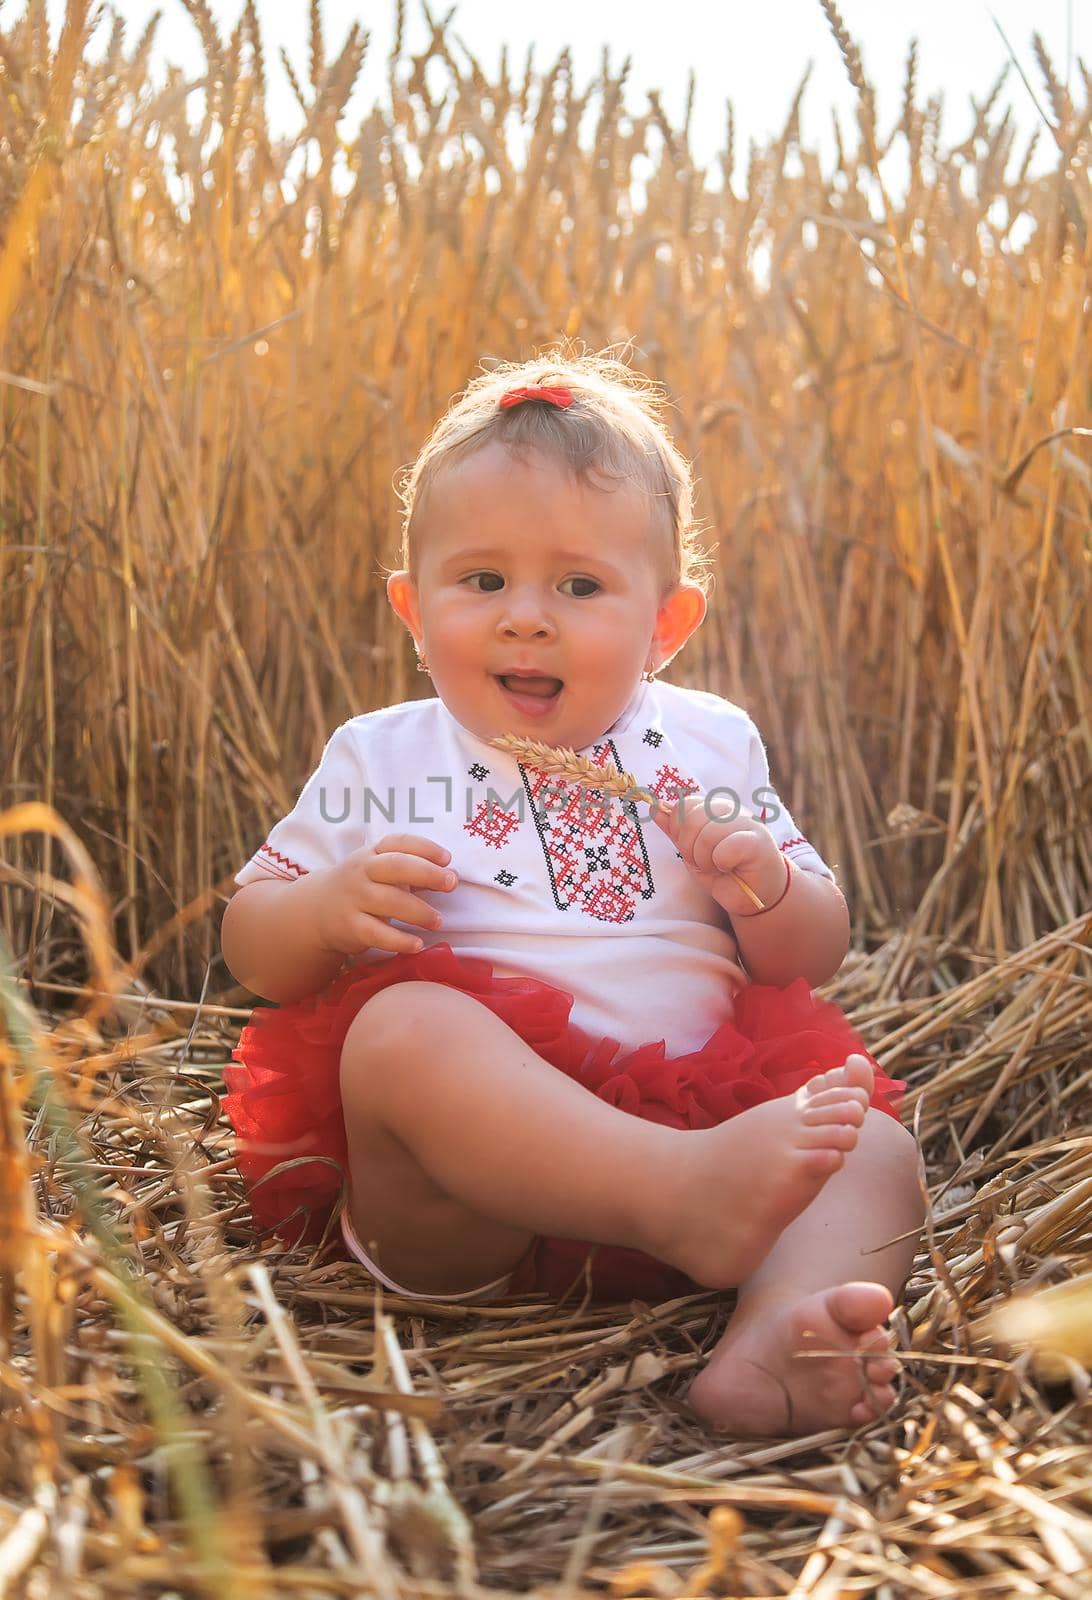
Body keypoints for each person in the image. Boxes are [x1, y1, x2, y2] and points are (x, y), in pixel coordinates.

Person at [220, 353, 925, 1437]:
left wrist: (765, 885)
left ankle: (775, 1336)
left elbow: (809, 953)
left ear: (667, 623)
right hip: (470, 1207)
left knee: (875, 1149)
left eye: (581, 586)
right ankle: (677, 1197)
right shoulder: (383, 756)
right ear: (414, 608)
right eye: (484, 581)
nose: (527, 619)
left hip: (704, 1124)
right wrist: (320, 913)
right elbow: (250, 944)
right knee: (403, 1034)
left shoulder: (705, 743)